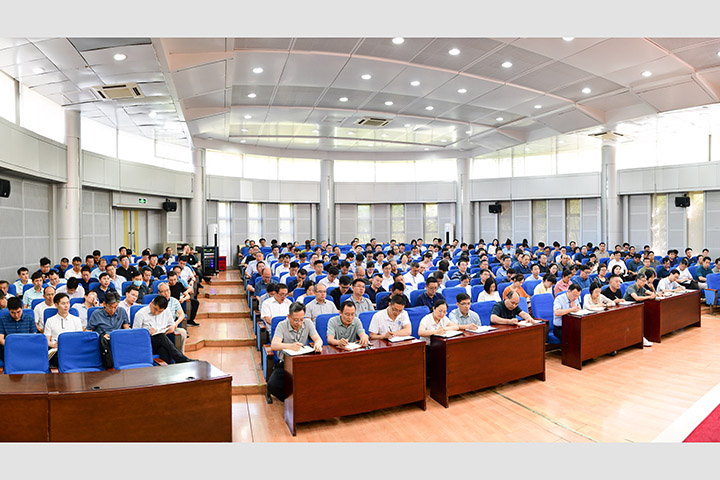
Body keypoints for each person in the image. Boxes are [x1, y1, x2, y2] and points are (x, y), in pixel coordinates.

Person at [268, 302, 323, 401]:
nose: (299, 323)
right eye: (295, 320)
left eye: (301, 320)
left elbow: (318, 339)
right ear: (289, 316)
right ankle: (292, 401)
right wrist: (290, 346)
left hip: (303, 362)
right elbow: (274, 345)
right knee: (273, 385)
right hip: (285, 363)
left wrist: (318, 344)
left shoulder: (308, 323)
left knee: (320, 379)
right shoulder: (282, 325)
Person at [132, 295, 193, 364]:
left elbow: (172, 324)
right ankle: (181, 359)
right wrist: (146, 332)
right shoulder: (140, 314)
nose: (156, 313)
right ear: (151, 303)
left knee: (164, 350)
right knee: (161, 337)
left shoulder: (166, 311)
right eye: (155, 309)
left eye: (160, 311)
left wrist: (171, 327)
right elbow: (135, 335)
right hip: (147, 342)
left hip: (162, 342)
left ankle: (168, 369)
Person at [44, 293, 83, 366]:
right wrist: (53, 345)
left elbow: (79, 339)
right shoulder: (50, 320)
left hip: (72, 349)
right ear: (56, 305)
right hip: (57, 350)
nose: (66, 306)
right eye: (63, 303)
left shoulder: (76, 319)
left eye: (68, 303)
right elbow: (46, 340)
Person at [623, 274, 655, 347]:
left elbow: (652, 294)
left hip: (636, 309)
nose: (644, 283)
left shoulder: (642, 288)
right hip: (627, 310)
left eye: (645, 281)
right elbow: (637, 298)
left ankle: (642, 337)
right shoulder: (631, 288)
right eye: (643, 281)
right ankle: (640, 338)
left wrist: (652, 289)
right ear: (638, 280)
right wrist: (649, 297)